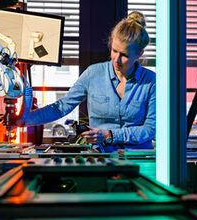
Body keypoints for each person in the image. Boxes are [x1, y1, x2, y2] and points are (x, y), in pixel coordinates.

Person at [22, 11, 155, 152]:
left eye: (124, 55)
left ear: (139, 54)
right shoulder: (93, 73)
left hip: (139, 159)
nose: (116, 59)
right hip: (102, 158)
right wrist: (25, 119)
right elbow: (61, 107)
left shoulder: (152, 82)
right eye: (114, 51)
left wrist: (109, 135)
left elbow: (150, 129)